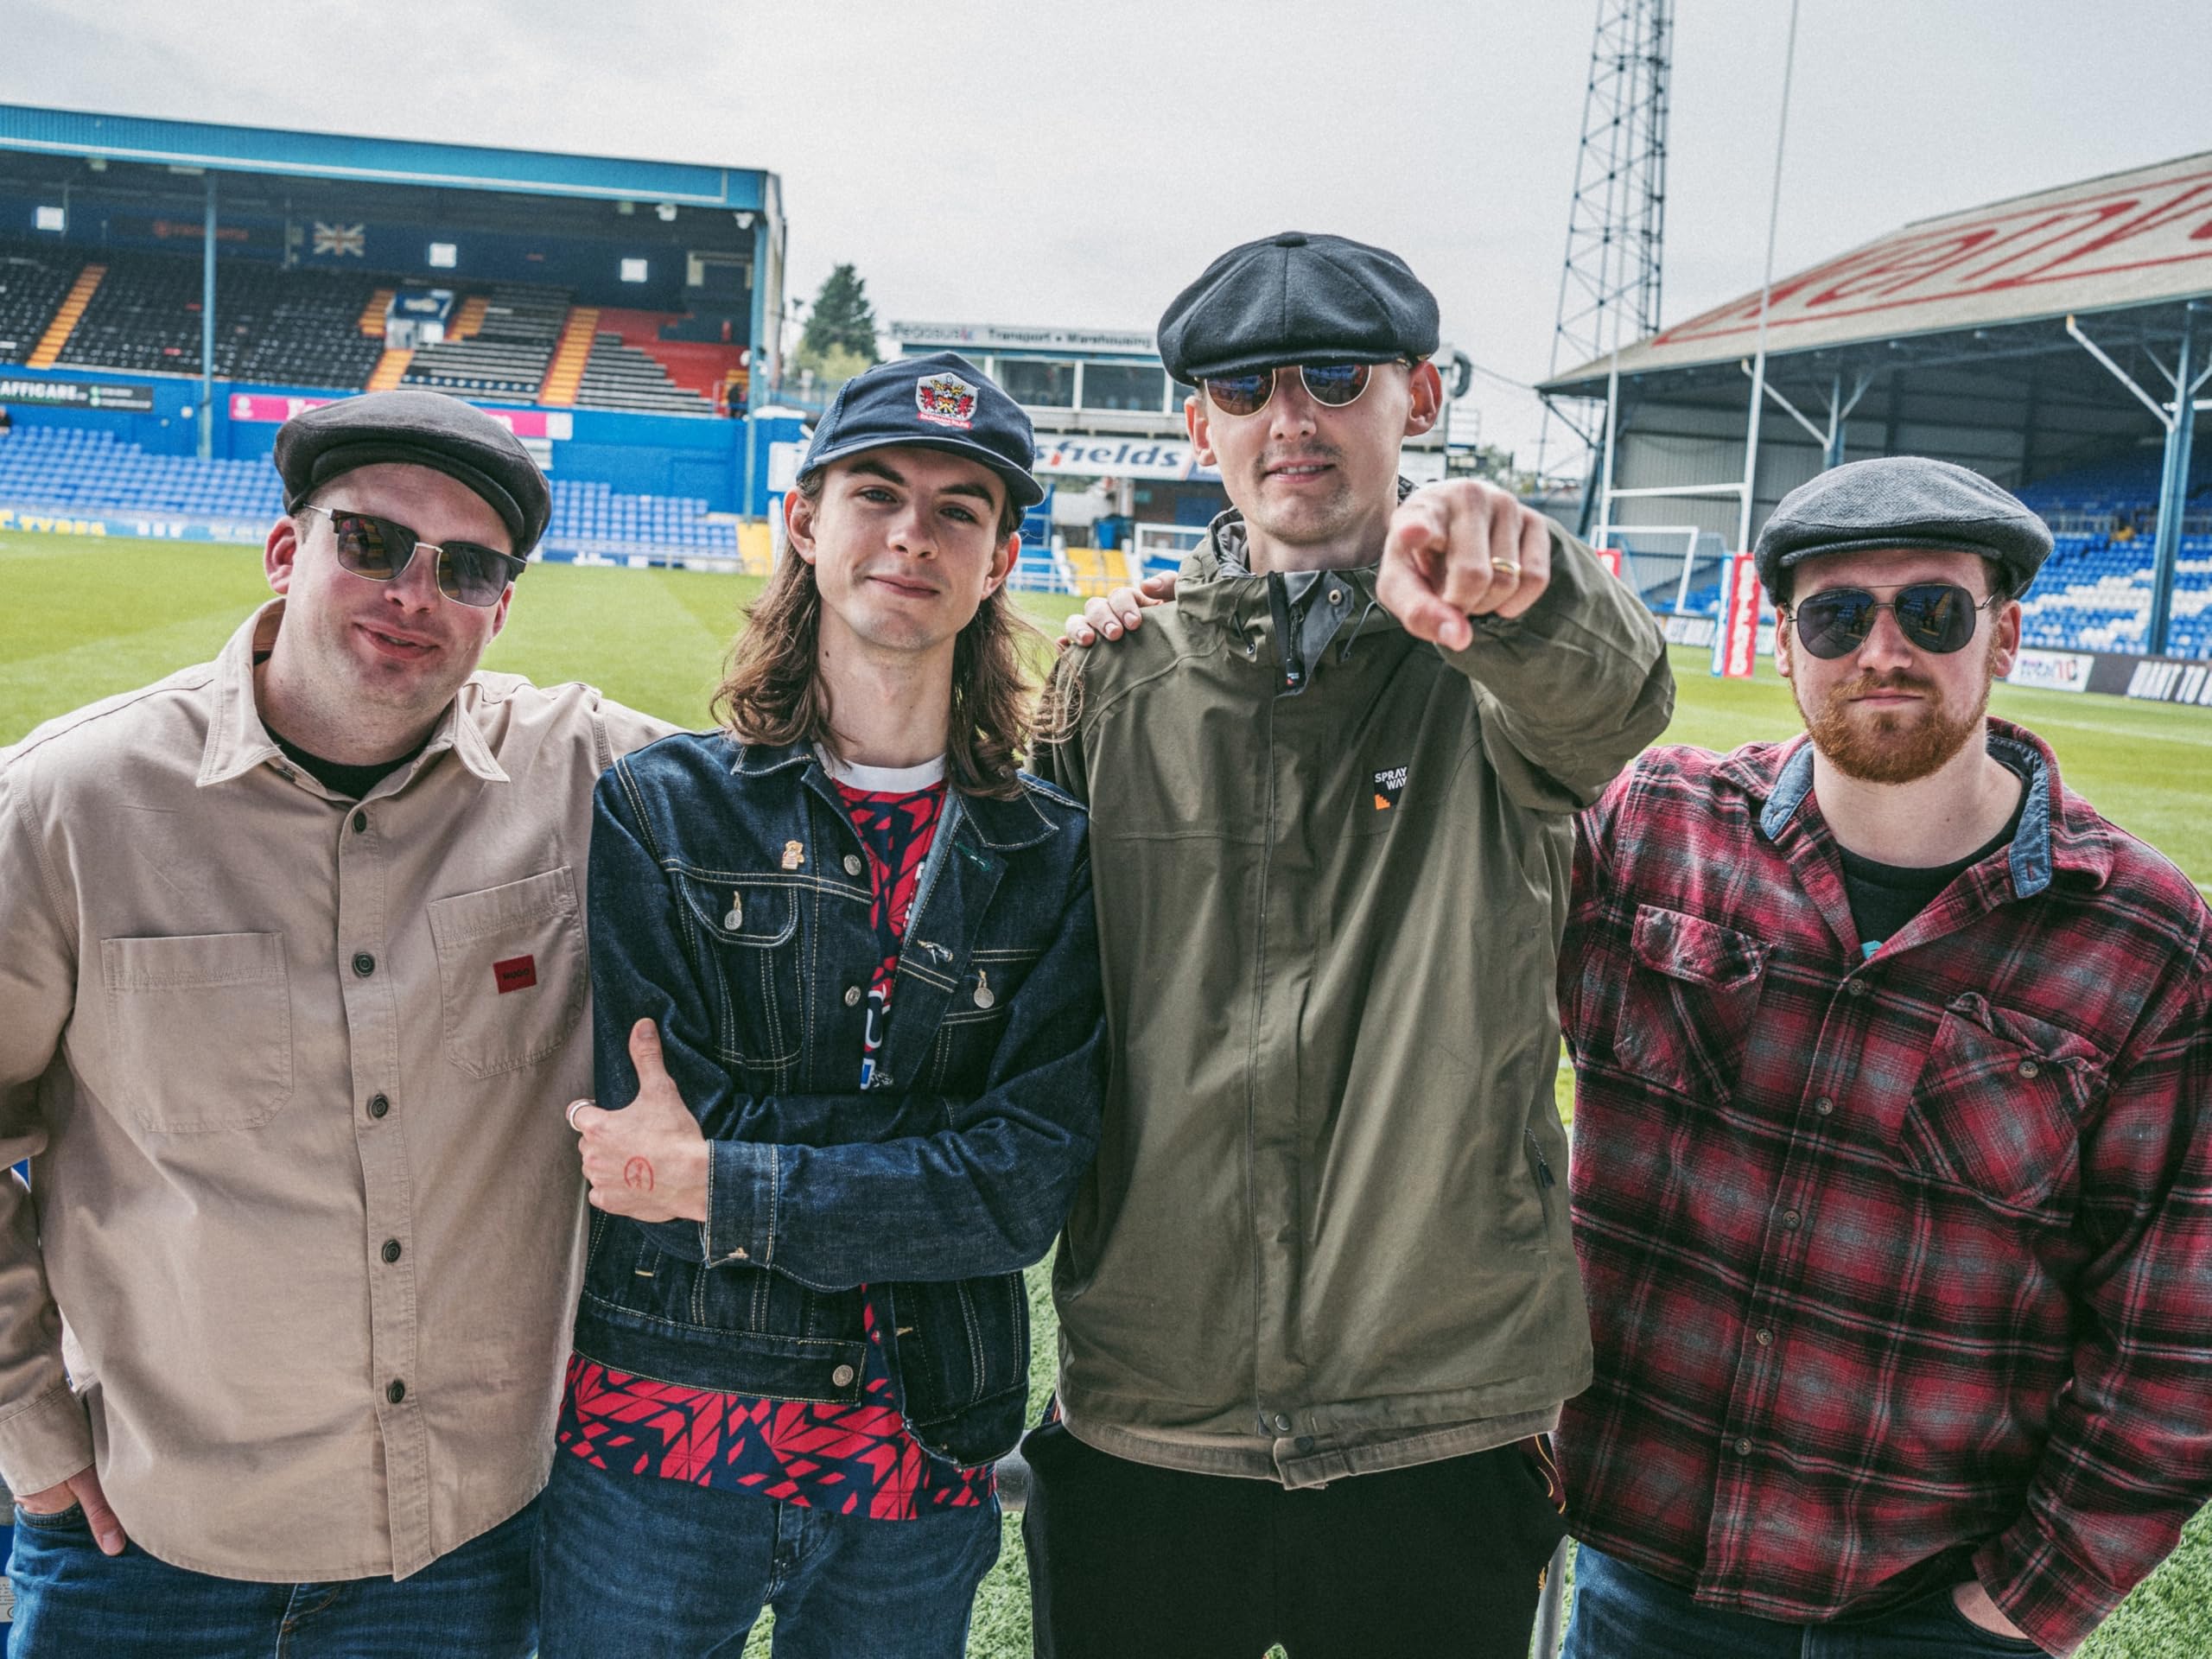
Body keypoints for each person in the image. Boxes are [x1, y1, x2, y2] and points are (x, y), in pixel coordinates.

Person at [1023, 232, 1675, 1659]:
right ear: (1198, 423)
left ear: (1419, 399)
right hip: (1152, 1407)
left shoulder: (1494, 657)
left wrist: (1527, 580)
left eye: (1334, 375)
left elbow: (1614, 704)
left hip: (1434, 1424)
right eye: (1245, 385)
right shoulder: (1109, 679)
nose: (1291, 418)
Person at [0, 390, 671, 1656]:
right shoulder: (68, 806)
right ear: (285, 549)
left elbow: (836, 772)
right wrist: (31, 1434)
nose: (414, 592)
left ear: (503, 607)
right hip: (145, 1540)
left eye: (466, 568)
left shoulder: (589, 773)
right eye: (370, 542)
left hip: (463, 1550)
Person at [1556, 457, 2212, 1658]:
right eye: (1839, 616)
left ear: (2004, 634)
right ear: (1793, 643)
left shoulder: (2146, 940)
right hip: (1643, 1568)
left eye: (1933, 611)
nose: (1883, 650)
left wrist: (2030, 1600)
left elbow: (2180, 1330)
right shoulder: (1657, 828)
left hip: (1932, 1603)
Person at [535, 353, 1106, 1658]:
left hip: (921, 1451)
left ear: (1002, 556)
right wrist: (923, 1156)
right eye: (878, 492)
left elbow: (1021, 1188)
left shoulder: (1055, 854)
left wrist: (726, 1181)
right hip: (659, 1436)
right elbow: (639, 1135)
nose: (913, 534)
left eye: (960, 508)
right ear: (805, 520)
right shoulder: (661, 808)